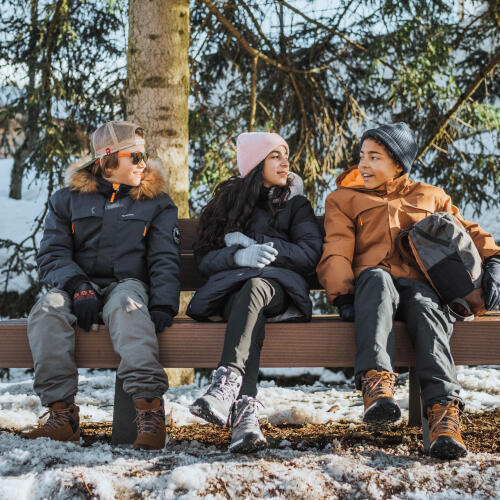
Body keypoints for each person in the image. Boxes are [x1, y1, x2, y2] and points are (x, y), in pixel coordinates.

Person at [317, 122, 500, 460]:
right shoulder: (344, 199)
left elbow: (468, 231)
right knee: (376, 277)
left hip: (420, 289)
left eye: (375, 157)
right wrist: (342, 294)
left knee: (426, 306)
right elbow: (337, 247)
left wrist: (494, 260)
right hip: (374, 293)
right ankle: (378, 387)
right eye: (362, 156)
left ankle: (444, 415)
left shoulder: (430, 196)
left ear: (398, 163)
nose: (364, 165)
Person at [24, 121, 181, 450]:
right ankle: (61, 415)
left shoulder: (157, 202)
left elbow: (164, 257)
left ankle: (150, 411)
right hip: (75, 287)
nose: (143, 163)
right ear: (108, 160)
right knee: (46, 311)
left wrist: (165, 303)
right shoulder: (68, 200)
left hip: (126, 285)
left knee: (129, 311)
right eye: (134, 156)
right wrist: (77, 284)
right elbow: (52, 253)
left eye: (144, 155)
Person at [187, 132, 323, 453]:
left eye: (285, 154)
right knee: (248, 300)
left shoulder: (295, 204)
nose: (285, 162)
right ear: (255, 162)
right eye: (275, 155)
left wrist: (264, 247)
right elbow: (205, 259)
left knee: (256, 287)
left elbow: (309, 254)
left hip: (277, 288)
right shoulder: (226, 205)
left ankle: (225, 385)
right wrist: (236, 256)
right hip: (233, 292)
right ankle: (245, 414)